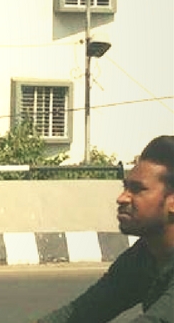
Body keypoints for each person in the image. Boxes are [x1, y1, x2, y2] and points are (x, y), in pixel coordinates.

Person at [36, 135, 174, 322]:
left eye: (137, 189)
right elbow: (80, 313)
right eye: (125, 187)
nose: (122, 198)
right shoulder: (144, 255)